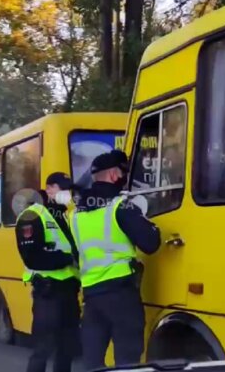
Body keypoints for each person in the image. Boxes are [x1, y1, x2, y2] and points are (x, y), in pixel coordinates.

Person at [70, 150, 161, 370]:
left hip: (91, 298)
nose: (125, 178)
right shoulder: (121, 206)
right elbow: (151, 243)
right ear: (113, 175)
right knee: (127, 362)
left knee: (93, 361)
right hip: (121, 295)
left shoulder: (76, 215)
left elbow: (76, 255)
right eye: (124, 172)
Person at [15, 172, 81, 372]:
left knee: (67, 348)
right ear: (50, 188)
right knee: (43, 349)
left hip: (70, 291)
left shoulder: (67, 215)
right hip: (48, 292)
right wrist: (67, 259)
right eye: (63, 188)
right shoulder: (32, 215)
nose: (67, 193)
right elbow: (32, 257)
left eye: (69, 189)